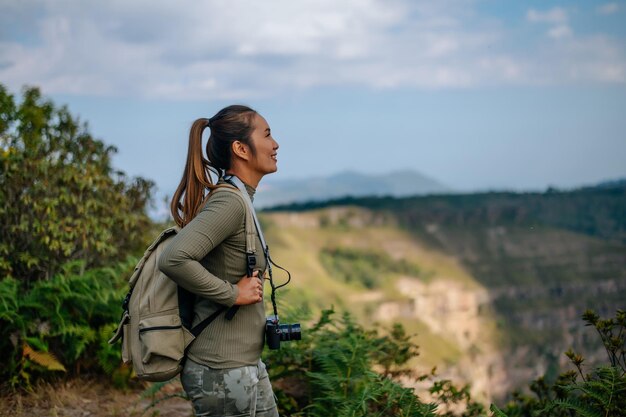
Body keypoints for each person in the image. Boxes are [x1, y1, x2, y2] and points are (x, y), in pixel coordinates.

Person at [158, 105, 280, 417]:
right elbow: (174, 258)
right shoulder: (230, 201)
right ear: (240, 149)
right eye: (267, 135)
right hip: (222, 370)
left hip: (244, 364)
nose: (275, 144)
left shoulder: (241, 199)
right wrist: (233, 294)